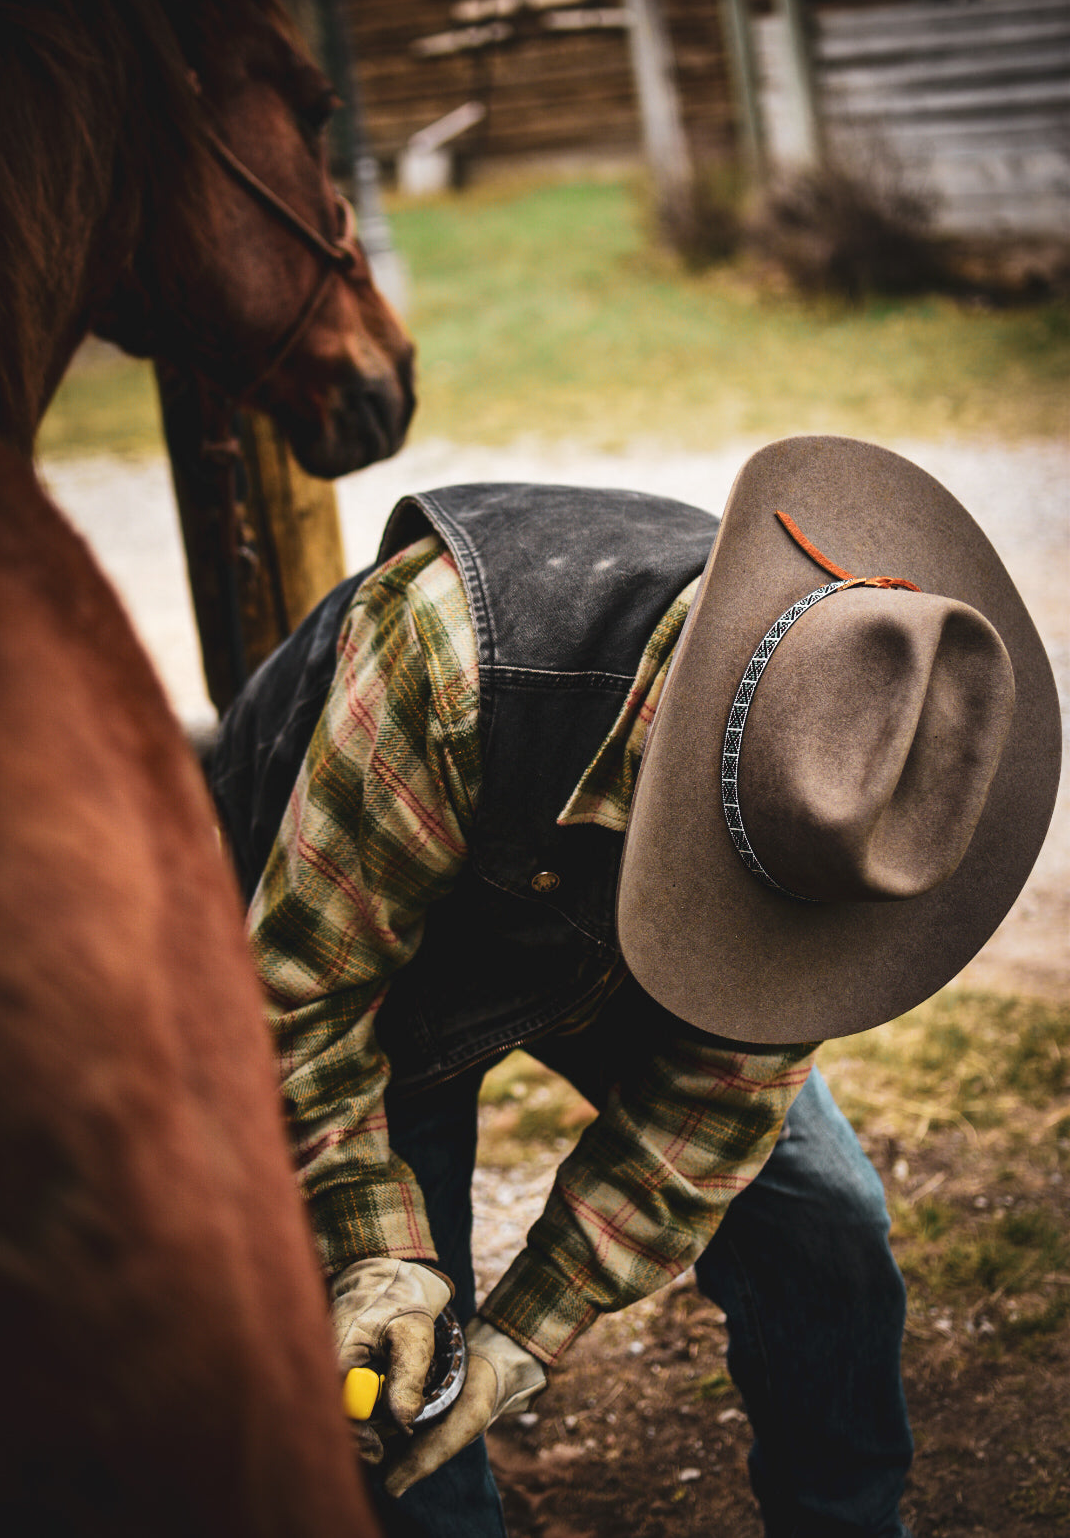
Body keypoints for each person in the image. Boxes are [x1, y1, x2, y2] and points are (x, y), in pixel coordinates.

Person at [209, 435, 1059, 1538]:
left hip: (594, 915)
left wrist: (522, 1339)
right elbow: (303, 1005)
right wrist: (378, 1252)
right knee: (394, 1381)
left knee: (827, 1221)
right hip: (362, 945)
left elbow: (714, 1105)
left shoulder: (853, 773)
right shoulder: (448, 659)